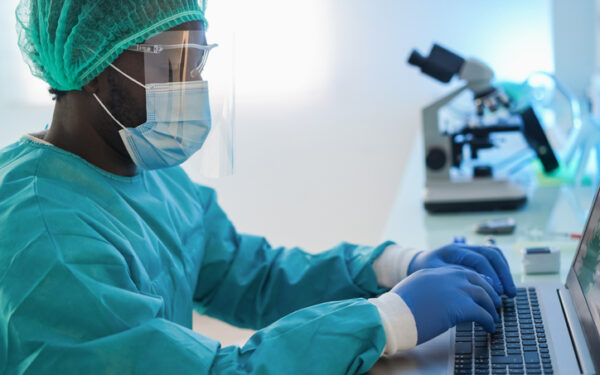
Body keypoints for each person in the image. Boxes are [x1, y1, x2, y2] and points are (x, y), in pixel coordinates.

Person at [0, 1, 516, 374]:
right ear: (92, 65)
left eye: (198, 61)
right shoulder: (46, 239)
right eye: (170, 63)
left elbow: (250, 278)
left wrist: (394, 265)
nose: (191, 85)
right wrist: (385, 320)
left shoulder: (145, 166)